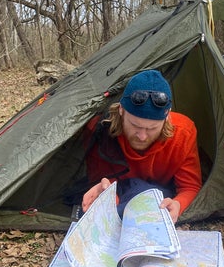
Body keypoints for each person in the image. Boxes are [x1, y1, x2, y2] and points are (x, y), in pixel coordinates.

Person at [81, 70, 201, 223]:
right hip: (123, 194)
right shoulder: (100, 131)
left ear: (167, 116)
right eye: (135, 126)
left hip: (162, 196)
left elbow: (189, 187)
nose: (142, 136)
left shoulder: (184, 133)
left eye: (152, 128)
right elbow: (100, 181)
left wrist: (178, 204)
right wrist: (105, 194)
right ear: (121, 110)